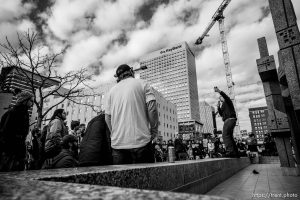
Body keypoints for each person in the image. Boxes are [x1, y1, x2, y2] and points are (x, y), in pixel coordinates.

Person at [105, 64, 158, 164]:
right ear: (131, 72)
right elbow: (152, 108)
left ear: (119, 77)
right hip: (141, 142)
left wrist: (114, 134)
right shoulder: (143, 84)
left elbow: (107, 117)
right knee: (145, 178)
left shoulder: (111, 92)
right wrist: (154, 131)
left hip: (118, 145)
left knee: (121, 179)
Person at [0, 91, 33, 171]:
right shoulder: (13, 112)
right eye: (31, 100)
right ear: (25, 100)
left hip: (19, 149)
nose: (32, 103)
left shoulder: (25, 113)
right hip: (10, 150)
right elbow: (5, 132)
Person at [214, 86, 239, 158]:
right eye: (219, 98)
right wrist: (218, 107)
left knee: (225, 135)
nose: (220, 99)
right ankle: (235, 152)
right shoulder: (223, 106)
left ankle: (230, 152)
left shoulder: (228, 102)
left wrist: (219, 91)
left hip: (229, 120)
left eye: (220, 97)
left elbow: (226, 96)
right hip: (228, 120)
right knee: (230, 136)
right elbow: (221, 114)